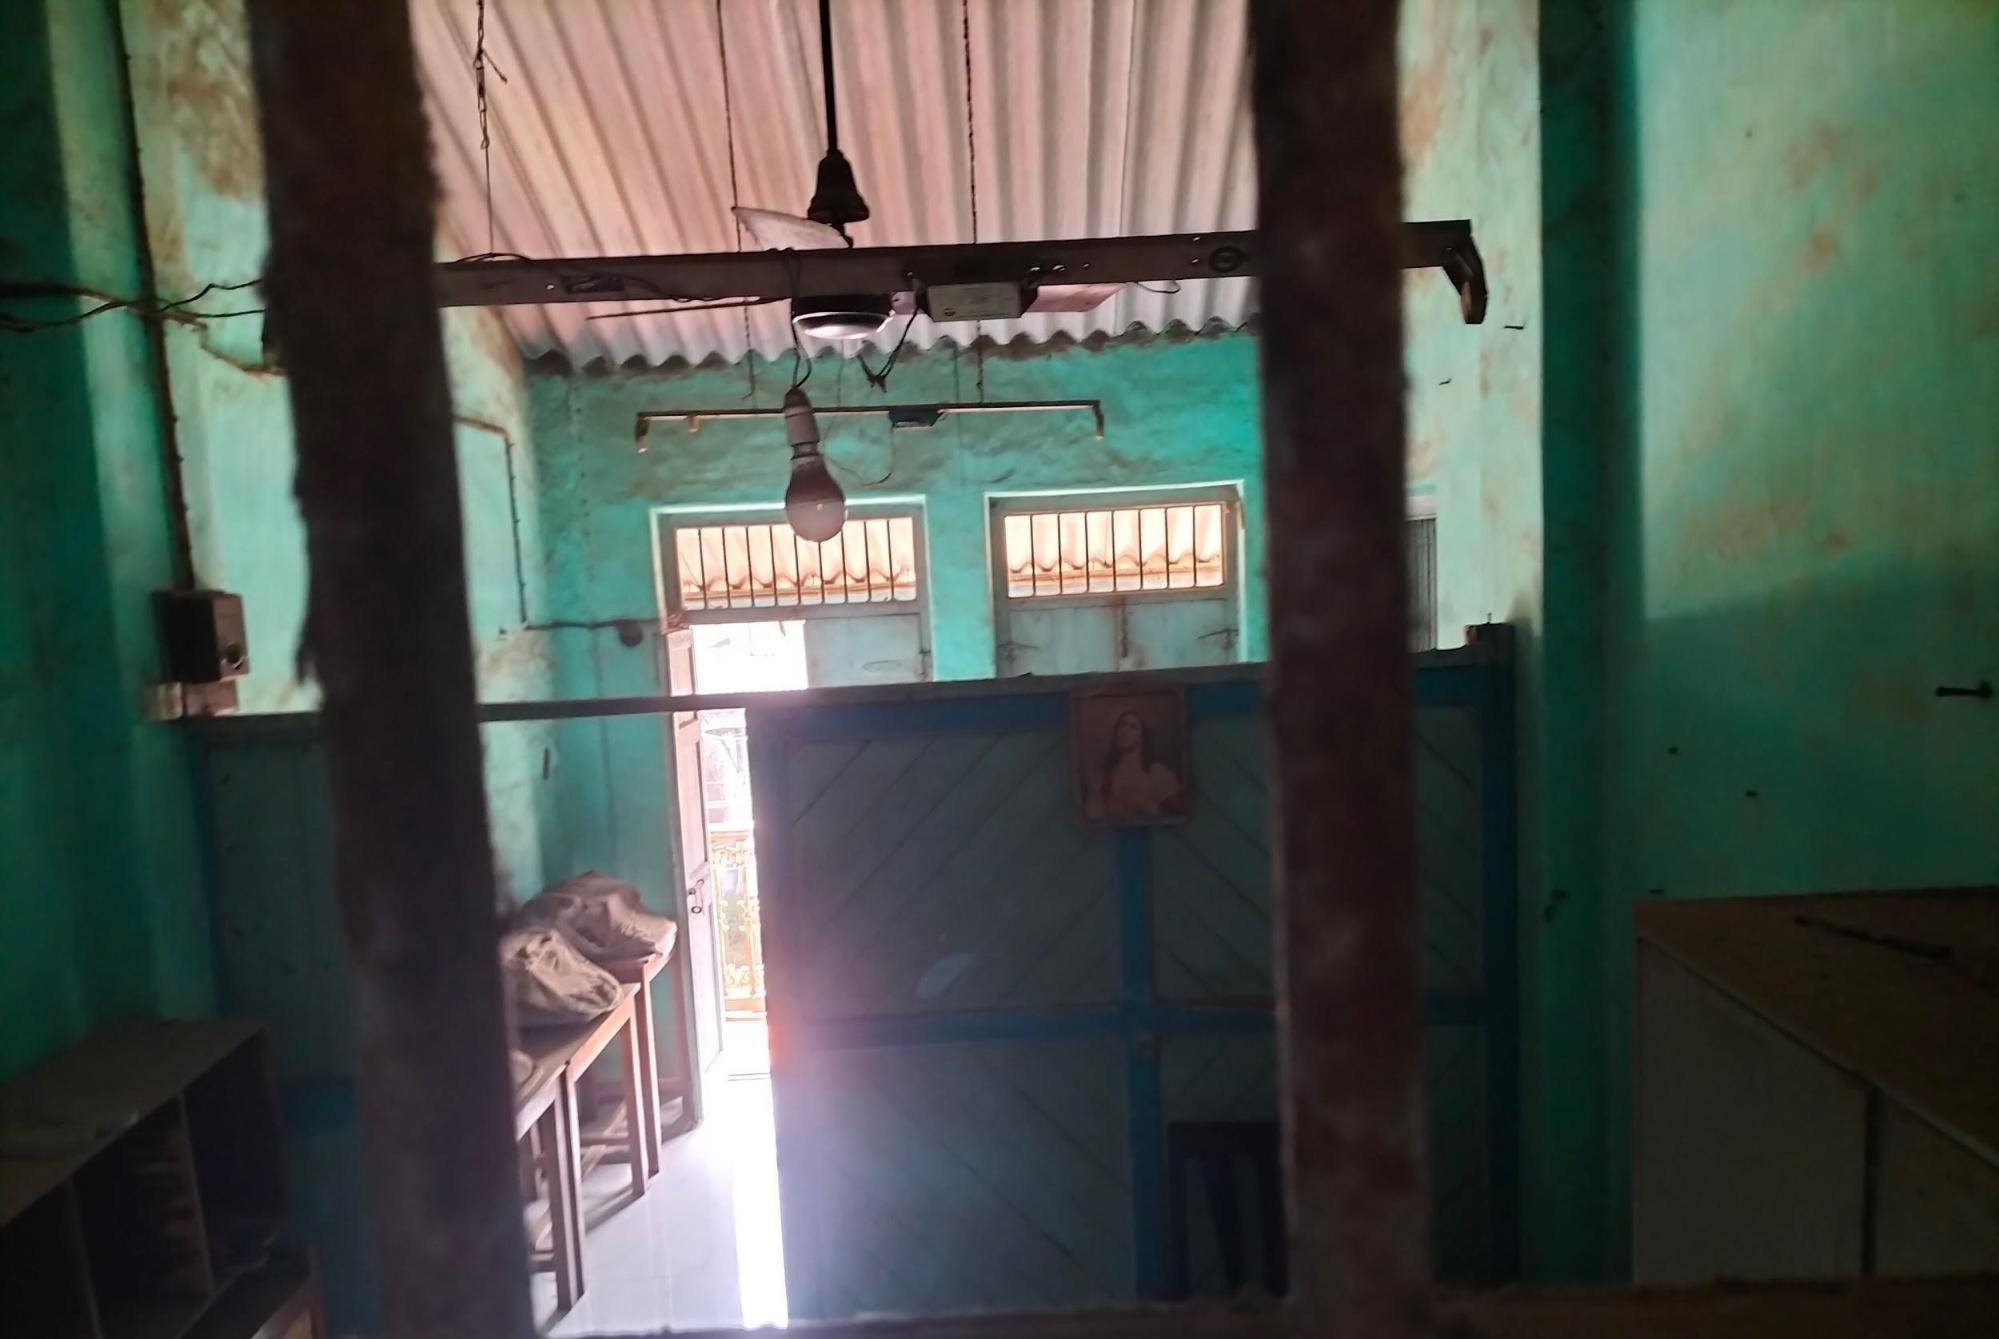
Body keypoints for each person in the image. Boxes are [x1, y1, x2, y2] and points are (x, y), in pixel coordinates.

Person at [1087, 708, 1185, 822]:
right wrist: (1095, 796)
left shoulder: (1159, 773)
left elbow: (1181, 815)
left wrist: (1145, 805)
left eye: (1132, 727)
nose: (1124, 730)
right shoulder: (1104, 776)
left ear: (1141, 738)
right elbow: (1094, 820)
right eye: (1121, 725)